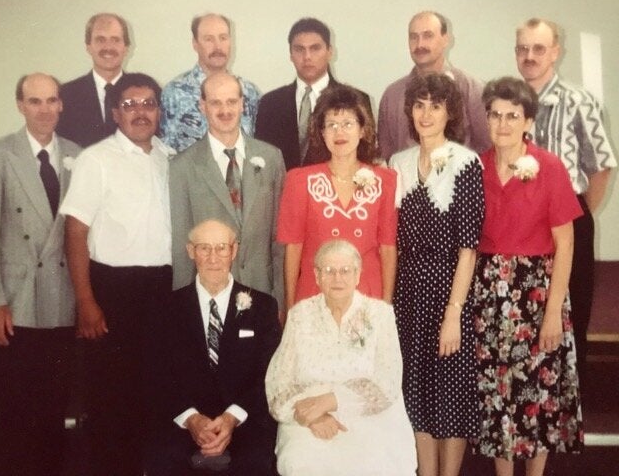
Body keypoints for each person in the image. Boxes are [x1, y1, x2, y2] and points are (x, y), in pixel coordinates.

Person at [60, 73, 175, 476]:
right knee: (112, 403)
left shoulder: (169, 157)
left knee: (157, 395)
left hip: (163, 289)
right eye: (130, 105)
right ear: (115, 113)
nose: (140, 112)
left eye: (148, 104)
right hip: (113, 290)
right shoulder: (96, 158)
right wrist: (87, 302)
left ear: (159, 111)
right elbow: (75, 232)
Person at [472, 77, 584, 475]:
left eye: (512, 116)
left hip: (536, 294)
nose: (502, 124)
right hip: (489, 295)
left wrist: (553, 311)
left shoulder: (549, 167)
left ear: (528, 121)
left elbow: (566, 245)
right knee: (497, 397)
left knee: (540, 394)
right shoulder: (476, 167)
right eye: (495, 115)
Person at [0, 73, 79, 476]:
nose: (44, 109)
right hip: (14, 303)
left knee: (55, 411)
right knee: (17, 412)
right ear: (20, 105)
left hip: (61, 300)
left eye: (51, 100)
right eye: (34, 101)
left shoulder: (77, 154)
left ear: (61, 105)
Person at [389, 73, 484, 476]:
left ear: (450, 112)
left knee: (451, 393)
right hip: (409, 291)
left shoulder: (466, 162)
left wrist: (453, 313)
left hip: (451, 288)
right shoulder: (398, 164)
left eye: (436, 105)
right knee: (416, 393)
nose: (426, 114)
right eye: (419, 105)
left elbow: (469, 248)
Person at [515, 17, 617, 387]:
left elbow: (602, 167)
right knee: (523, 318)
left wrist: (575, 211)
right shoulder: (505, 103)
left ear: (556, 52)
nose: (529, 56)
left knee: (569, 315)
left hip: (567, 222)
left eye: (538, 48)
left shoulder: (579, 101)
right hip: (517, 228)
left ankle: (567, 413)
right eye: (523, 48)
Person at [266, 239, 417, 475]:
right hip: (309, 417)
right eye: (329, 271)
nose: (338, 278)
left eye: (346, 270)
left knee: (375, 464)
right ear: (316, 276)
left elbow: (388, 381)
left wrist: (332, 401)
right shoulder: (299, 315)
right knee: (303, 463)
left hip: (370, 416)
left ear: (358, 275)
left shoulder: (380, 315)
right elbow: (279, 382)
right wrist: (312, 417)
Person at [147, 219, 281, 475]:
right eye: (203, 248)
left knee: (255, 461)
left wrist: (231, 418)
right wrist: (191, 419)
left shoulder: (263, 306)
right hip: (184, 421)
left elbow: (268, 373)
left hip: (243, 419)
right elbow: (156, 375)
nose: (213, 258)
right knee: (163, 457)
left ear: (234, 251)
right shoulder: (165, 308)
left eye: (221, 248)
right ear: (190, 251)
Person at [170, 72, 285, 310]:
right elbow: (183, 245)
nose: (225, 110)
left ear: (243, 104)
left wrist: (282, 300)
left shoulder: (271, 157)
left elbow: (279, 239)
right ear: (202, 106)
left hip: (262, 291)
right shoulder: (182, 166)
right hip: (209, 294)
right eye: (215, 103)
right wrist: (183, 307)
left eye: (231, 101)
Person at [277, 84, 397, 311]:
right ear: (321, 133)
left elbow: (388, 249)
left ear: (363, 130)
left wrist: (386, 308)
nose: (339, 133)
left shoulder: (385, 180)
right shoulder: (299, 180)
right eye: (331, 125)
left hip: (367, 296)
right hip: (315, 295)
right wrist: (291, 308)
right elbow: (293, 250)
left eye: (348, 124)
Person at [255, 17, 373, 170]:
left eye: (315, 48)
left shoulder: (357, 100)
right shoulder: (270, 103)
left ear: (330, 51)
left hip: (337, 190)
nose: (307, 57)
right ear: (290, 54)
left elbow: (365, 159)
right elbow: (262, 163)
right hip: (283, 191)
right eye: (299, 49)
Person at [378, 11, 489, 159]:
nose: (420, 44)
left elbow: (488, 151)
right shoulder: (392, 96)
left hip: (460, 180)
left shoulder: (473, 90)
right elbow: (386, 157)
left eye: (428, 35)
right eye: (413, 37)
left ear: (446, 40)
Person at [161, 13, 260, 152]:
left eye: (223, 38)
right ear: (195, 44)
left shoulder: (249, 92)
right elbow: (167, 151)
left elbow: (255, 148)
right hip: (192, 173)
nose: (218, 46)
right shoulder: (175, 93)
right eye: (209, 39)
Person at [57, 13, 130, 147]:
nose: (108, 47)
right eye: (100, 40)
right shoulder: (65, 96)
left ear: (126, 48)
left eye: (115, 40)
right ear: (88, 46)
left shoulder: (144, 95)